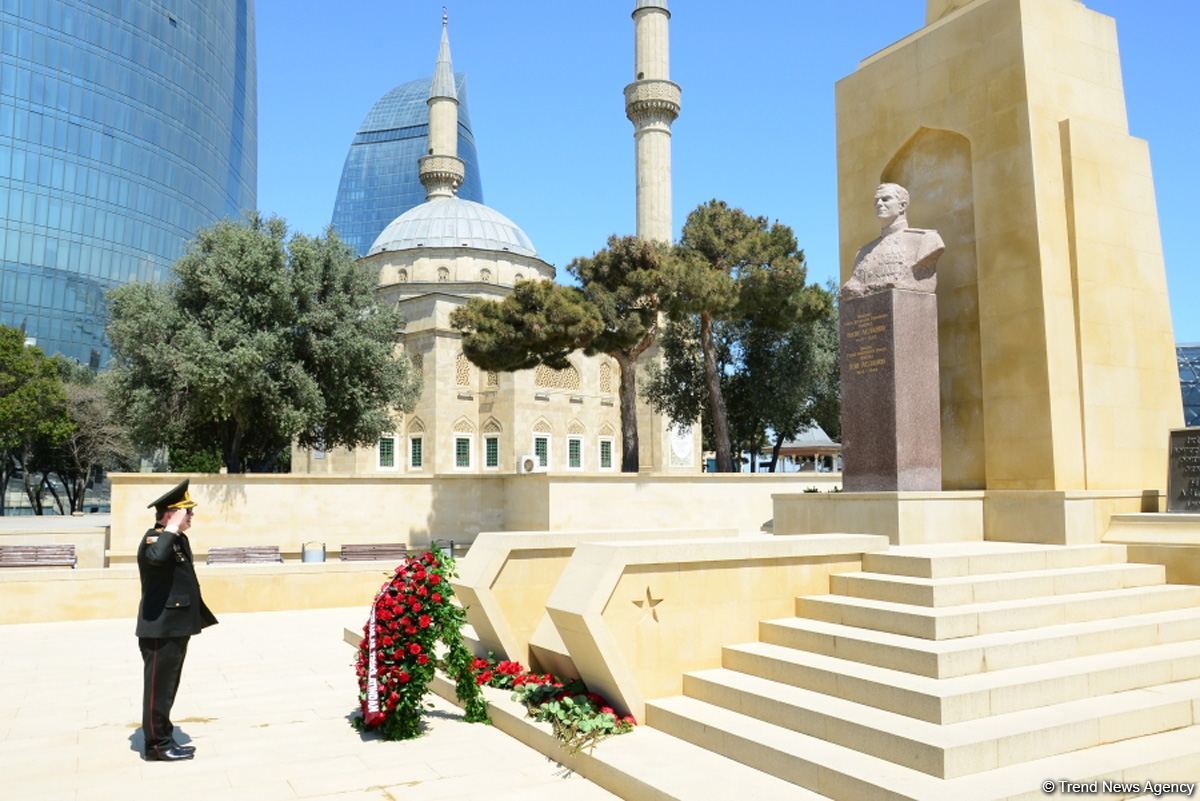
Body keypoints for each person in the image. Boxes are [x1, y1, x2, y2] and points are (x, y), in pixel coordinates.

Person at [136, 479, 217, 762]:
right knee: (158, 688)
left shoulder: (177, 539)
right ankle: (156, 746)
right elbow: (157, 558)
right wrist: (172, 525)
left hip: (175, 626)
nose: (191, 517)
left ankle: (164, 736)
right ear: (170, 514)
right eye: (186, 512)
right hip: (160, 627)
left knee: (168, 686)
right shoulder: (155, 538)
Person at [841, 182, 945, 299]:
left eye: (885, 199)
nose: (879, 204)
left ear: (902, 206)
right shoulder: (863, 253)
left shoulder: (926, 240)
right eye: (876, 201)